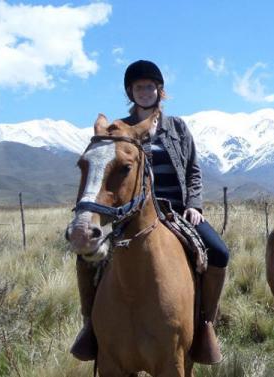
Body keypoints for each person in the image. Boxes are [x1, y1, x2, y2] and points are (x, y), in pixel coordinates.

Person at [71, 60, 229, 365]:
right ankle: (91, 324)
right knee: (87, 256)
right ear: (131, 92)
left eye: (150, 86)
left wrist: (194, 205)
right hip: (130, 212)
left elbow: (193, 170)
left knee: (219, 253)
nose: (145, 91)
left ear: (160, 90)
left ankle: (206, 324)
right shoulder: (120, 129)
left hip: (178, 209)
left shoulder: (178, 128)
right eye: (138, 87)